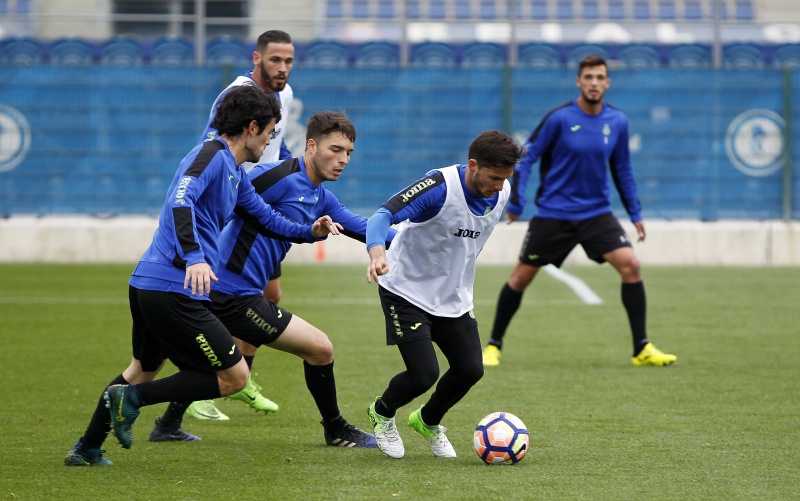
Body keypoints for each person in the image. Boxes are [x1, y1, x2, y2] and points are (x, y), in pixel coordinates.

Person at [64, 85, 340, 466]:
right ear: (252, 128)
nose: (270, 142)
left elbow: (266, 218)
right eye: (269, 132)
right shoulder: (210, 155)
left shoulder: (235, 173)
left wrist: (309, 232)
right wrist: (194, 256)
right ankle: (134, 401)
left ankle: (87, 448)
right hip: (173, 286)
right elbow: (180, 201)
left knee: (141, 370)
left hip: (151, 285)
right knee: (234, 377)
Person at [148, 111, 393, 447]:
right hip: (230, 293)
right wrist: (195, 254)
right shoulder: (277, 175)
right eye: (335, 150)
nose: (343, 160)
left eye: (348, 153)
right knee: (320, 349)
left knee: (185, 364)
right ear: (311, 146)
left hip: (229, 292)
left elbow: (365, 228)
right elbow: (224, 200)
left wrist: (418, 239)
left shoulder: (322, 198)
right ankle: (336, 429)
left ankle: (164, 424)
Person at [481, 55, 677, 368]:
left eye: (600, 77)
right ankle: (493, 345)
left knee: (631, 266)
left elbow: (623, 170)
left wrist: (635, 213)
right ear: (578, 81)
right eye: (588, 77)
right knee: (520, 278)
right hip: (554, 214)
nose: (594, 83)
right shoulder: (559, 119)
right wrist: (516, 202)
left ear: (607, 83)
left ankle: (641, 348)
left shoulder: (618, 121)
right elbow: (526, 158)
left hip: (596, 214)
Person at [364, 130, 524, 459]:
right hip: (405, 291)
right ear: (473, 165)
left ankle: (427, 420)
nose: (500, 186)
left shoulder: (502, 190)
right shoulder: (439, 188)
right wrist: (377, 251)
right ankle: (382, 412)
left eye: (505, 178)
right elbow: (383, 215)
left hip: (453, 296)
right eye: (494, 178)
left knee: (470, 370)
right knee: (424, 375)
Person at [192, 29, 297, 420]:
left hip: (261, 204)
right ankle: (202, 388)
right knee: (217, 300)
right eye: (275, 60)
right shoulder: (235, 94)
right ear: (257, 58)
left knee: (269, 295)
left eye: (288, 61)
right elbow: (211, 147)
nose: (282, 67)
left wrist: (296, 171)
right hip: (238, 207)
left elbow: (276, 147)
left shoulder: (284, 95)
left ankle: (239, 379)